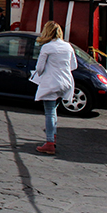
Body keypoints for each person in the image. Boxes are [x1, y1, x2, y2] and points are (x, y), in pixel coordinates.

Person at [31, 21, 76, 155]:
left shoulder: (47, 47)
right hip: (66, 82)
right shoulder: (68, 46)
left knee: (49, 112)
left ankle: (50, 142)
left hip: (51, 82)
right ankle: (53, 136)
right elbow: (74, 65)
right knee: (54, 110)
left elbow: (39, 68)